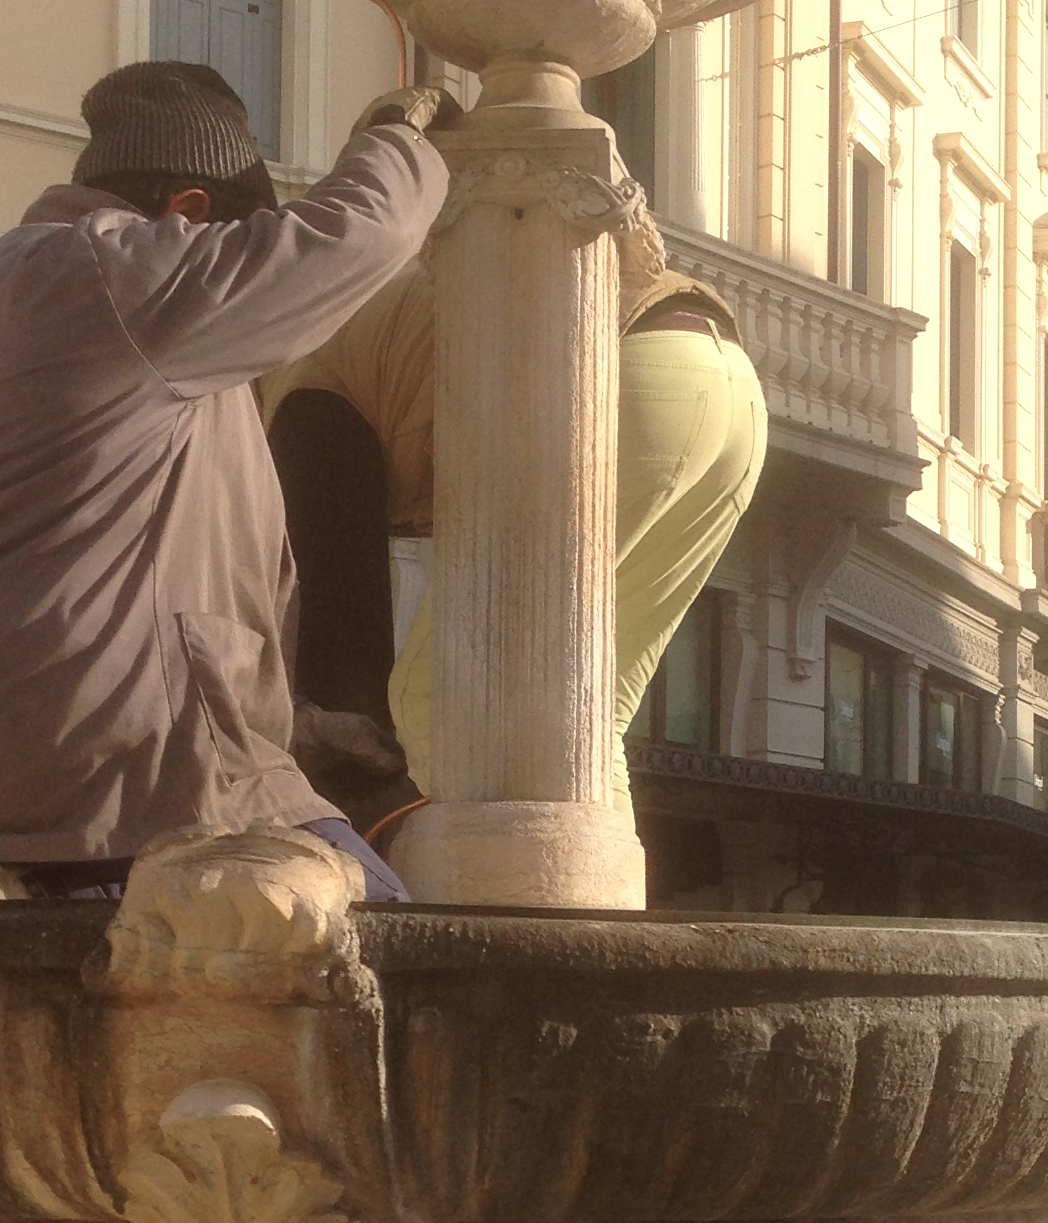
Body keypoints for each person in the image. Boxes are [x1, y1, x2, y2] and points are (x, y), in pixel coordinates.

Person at [0, 61, 449, 899]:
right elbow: (364, 236)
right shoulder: (107, 272)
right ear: (188, 212)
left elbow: (112, 587)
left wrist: (298, 729)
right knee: (411, 970)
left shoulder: (30, 307)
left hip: (1, 779)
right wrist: (401, 137)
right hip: (118, 782)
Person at [262, 217, 767, 823]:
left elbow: (343, 630)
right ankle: (589, 908)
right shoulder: (355, 335)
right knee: (589, 716)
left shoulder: (297, 388)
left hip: (616, 378)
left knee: (441, 697)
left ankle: (465, 911)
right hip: (730, 391)